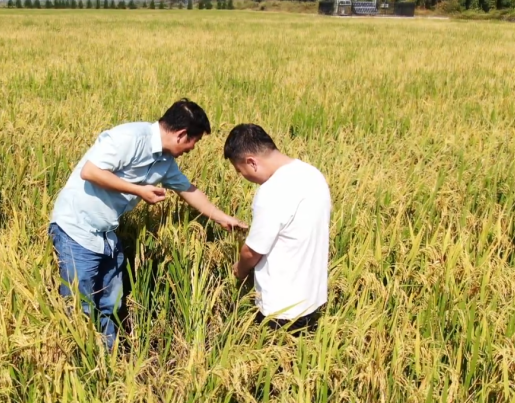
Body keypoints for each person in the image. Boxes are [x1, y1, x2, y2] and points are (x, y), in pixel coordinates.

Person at [49, 98, 247, 351]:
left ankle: (109, 357)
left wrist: (224, 219)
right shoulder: (129, 137)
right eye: (194, 142)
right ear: (182, 135)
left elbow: (189, 190)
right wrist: (138, 190)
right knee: (80, 306)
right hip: (75, 229)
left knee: (112, 303)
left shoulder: (165, 162)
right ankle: (78, 361)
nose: (192, 149)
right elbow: (90, 171)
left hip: (106, 233)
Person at [225, 123, 331, 333]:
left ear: (252, 162)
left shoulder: (272, 191)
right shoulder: (312, 174)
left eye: (240, 170)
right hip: (312, 298)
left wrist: (239, 271)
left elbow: (252, 250)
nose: (242, 176)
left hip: (281, 309)